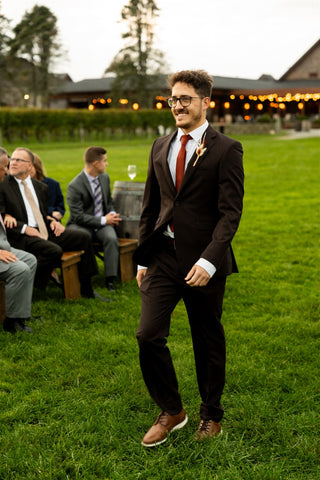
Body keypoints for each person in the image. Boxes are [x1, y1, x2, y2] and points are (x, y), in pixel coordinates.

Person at [133, 70, 244, 447]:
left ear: (205, 102)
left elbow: (231, 214)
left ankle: (211, 415)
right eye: (173, 100)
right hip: (162, 256)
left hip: (204, 262)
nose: (177, 106)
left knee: (207, 339)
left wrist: (210, 261)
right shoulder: (159, 145)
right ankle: (172, 409)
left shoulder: (227, 149)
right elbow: (151, 206)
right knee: (148, 335)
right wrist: (142, 259)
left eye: (185, 99)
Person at [0, 147, 98, 298]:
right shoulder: (3, 184)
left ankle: (87, 288)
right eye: (12, 159)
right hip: (21, 236)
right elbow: (1, 216)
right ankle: (31, 286)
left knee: (83, 237)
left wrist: (53, 221)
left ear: (30, 165)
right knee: (54, 250)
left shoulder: (41, 187)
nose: (13, 163)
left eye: (19, 160)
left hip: (43, 230)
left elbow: (41, 213)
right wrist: (22, 226)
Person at [66, 146, 121, 291]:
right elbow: (78, 217)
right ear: (96, 164)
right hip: (81, 225)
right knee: (84, 236)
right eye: (105, 161)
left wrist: (112, 214)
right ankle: (86, 277)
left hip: (103, 223)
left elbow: (108, 201)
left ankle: (110, 279)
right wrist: (104, 220)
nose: (107, 164)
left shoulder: (104, 177)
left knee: (111, 238)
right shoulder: (75, 186)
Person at [0, 147, 37, 333]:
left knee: (30, 259)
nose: (6, 171)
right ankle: (11, 322)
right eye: (3, 167)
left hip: (4, 246)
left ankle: (21, 314)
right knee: (20, 269)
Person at [31, 153, 65, 221]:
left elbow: (61, 206)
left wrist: (59, 213)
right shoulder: (22, 186)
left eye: (30, 166)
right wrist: (51, 211)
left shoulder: (53, 184)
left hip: (54, 223)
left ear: (37, 167)